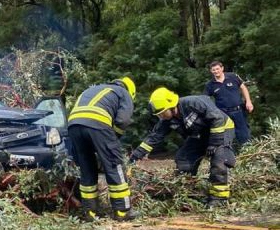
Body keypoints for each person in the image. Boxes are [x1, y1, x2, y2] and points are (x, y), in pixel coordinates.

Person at [130, 87, 236, 208]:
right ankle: (188, 193)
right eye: (159, 114)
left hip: (221, 129)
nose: (161, 117)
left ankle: (219, 199)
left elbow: (217, 118)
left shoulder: (194, 103)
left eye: (163, 113)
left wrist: (214, 143)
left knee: (219, 160)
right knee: (183, 159)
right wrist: (137, 154)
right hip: (199, 135)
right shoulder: (167, 120)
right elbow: (154, 137)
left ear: (171, 106)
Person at [67, 77, 137, 221]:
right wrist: (113, 139)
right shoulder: (123, 93)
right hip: (97, 123)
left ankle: (90, 213)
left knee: (87, 168)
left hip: (73, 126)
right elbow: (123, 120)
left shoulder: (92, 89)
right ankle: (122, 212)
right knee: (114, 165)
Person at [205, 60, 254, 145]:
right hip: (223, 114)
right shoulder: (210, 85)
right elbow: (205, 99)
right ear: (211, 71)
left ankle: (248, 151)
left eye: (217, 69)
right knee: (227, 136)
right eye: (214, 70)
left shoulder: (232, 76)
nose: (216, 71)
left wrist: (248, 102)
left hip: (238, 111)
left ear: (222, 68)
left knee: (244, 134)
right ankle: (231, 156)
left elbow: (243, 88)